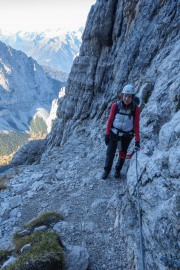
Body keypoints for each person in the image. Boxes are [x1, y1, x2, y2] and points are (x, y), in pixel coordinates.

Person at [102, 84, 140, 180]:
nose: (126, 98)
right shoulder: (115, 105)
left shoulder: (136, 109)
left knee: (122, 154)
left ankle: (118, 170)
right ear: (122, 95)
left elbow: (136, 125)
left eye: (129, 96)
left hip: (126, 136)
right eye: (125, 96)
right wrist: (107, 134)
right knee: (110, 153)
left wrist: (137, 140)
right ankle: (106, 171)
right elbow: (110, 120)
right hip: (114, 134)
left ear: (132, 97)